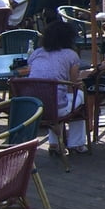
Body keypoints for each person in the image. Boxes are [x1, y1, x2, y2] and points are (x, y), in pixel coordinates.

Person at [28, 20, 89, 153]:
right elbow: (73, 85)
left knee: (52, 95)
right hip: (56, 107)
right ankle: (76, 143)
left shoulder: (37, 53)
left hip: (34, 107)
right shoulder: (71, 55)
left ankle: (54, 143)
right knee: (80, 96)